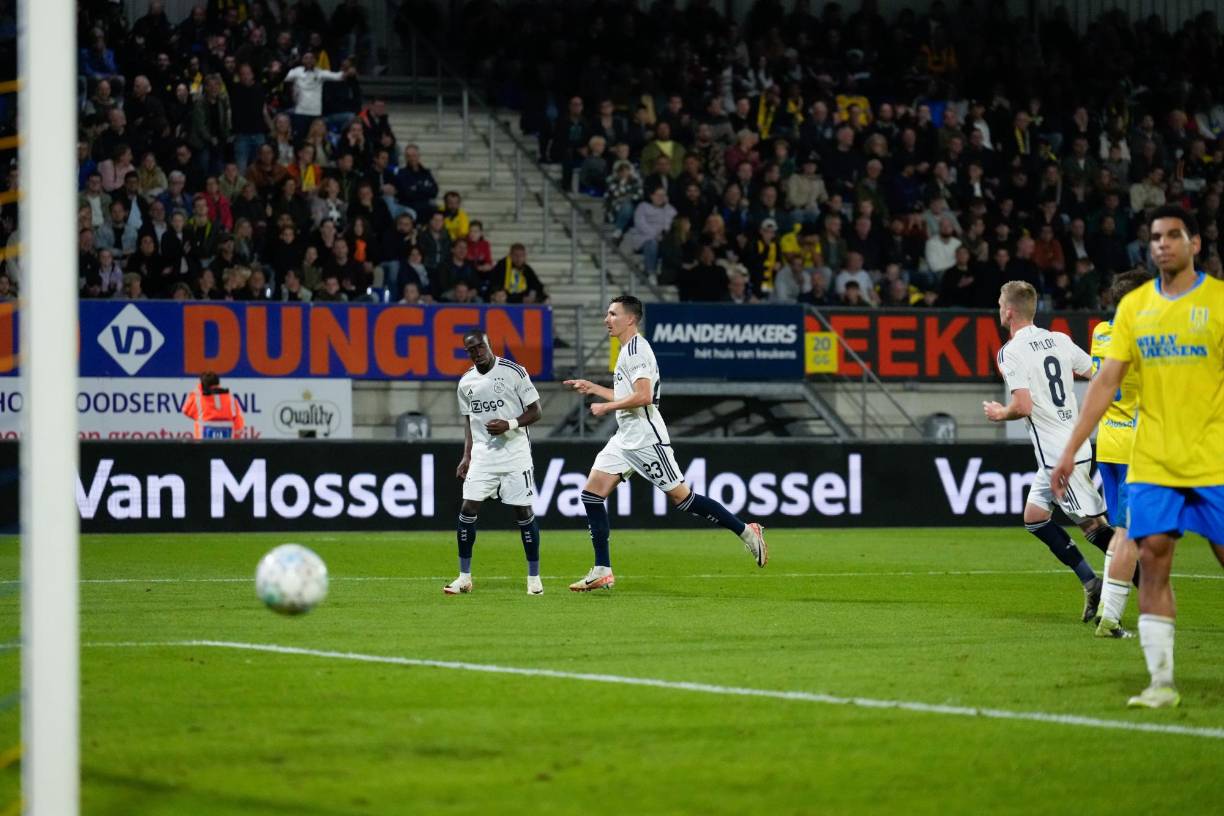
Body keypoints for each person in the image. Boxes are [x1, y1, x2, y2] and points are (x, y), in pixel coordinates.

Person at [1052, 205, 1224, 709]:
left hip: (1209, 455)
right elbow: (1104, 382)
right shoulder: (1134, 310)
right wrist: (1070, 448)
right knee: (1153, 557)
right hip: (1149, 457)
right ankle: (1161, 682)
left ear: (1194, 243)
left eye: (1173, 235)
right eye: (1155, 237)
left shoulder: (1216, 302)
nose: (1162, 244)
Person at [562, 296, 767, 591]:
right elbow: (628, 396)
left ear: (630, 319)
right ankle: (602, 570)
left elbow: (644, 397)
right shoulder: (626, 350)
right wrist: (594, 388)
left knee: (683, 499)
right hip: (625, 438)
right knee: (592, 495)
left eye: (613, 314)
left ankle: (747, 531)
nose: (607, 319)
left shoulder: (637, 350)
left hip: (646, 439)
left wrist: (606, 407)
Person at [983, 281, 1116, 621]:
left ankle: (1145, 585)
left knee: (1095, 528)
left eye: (1000, 303)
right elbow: (1098, 373)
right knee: (1035, 517)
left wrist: (1001, 413)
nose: (999, 308)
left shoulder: (1010, 352)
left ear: (1008, 311)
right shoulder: (1059, 339)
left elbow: (1023, 405)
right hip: (1069, 447)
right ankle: (1092, 583)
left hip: (1061, 456)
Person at [447, 330, 545, 596]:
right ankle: (464, 577)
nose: (477, 352)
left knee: (523, 512)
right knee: (467, 510)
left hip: (515, 453)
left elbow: (536, 411)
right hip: (483, 456)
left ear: (489, 345)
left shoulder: (514, 372)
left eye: (480, 346)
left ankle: (534, 578)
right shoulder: (465, 382)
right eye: (471, 350)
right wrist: (466, 455)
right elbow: (469, 421)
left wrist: (509, 424)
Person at [1089, 270, 1150, 639]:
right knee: (1130, 537)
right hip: (1135, 447)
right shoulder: (1146, 340)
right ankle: (1110, 619)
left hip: (1108, 443)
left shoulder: (1100, 332)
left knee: (1122, 534)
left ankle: (1106, 611)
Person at [182, 371, 246, 439]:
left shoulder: (198, 400)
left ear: (202, 385)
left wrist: (199, 388)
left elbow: (185, 409)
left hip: (202, 444)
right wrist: (234, 440)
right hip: (226, 444)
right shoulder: (231, 399)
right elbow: (239, 425)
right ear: (218, 383)